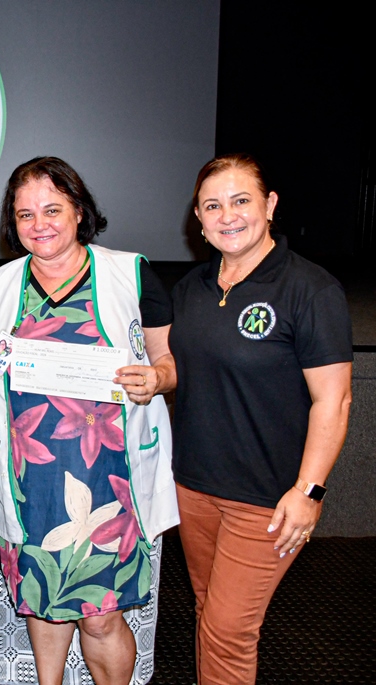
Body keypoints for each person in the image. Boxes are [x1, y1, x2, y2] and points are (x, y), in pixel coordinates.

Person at [0, 157, 179, 685]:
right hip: (31, 478)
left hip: (109, 478)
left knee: (101, 614)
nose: (39, 224)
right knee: (44, 601)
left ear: (79, 211)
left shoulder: (130, 273)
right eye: (25, 214)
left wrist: (156, 379)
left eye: (52, 209)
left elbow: (170, 362)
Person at [169, 153, 353, 684]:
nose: (227, 215)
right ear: (198, 219)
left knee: (228, 631)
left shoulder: (310, 290)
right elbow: (187, 370)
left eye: (241, 200)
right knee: (208, 613)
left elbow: (335, 400)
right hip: (194, 489)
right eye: (212, 206)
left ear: (270, 205)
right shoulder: (191, 289)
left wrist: (309, 491)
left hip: (268, 500)